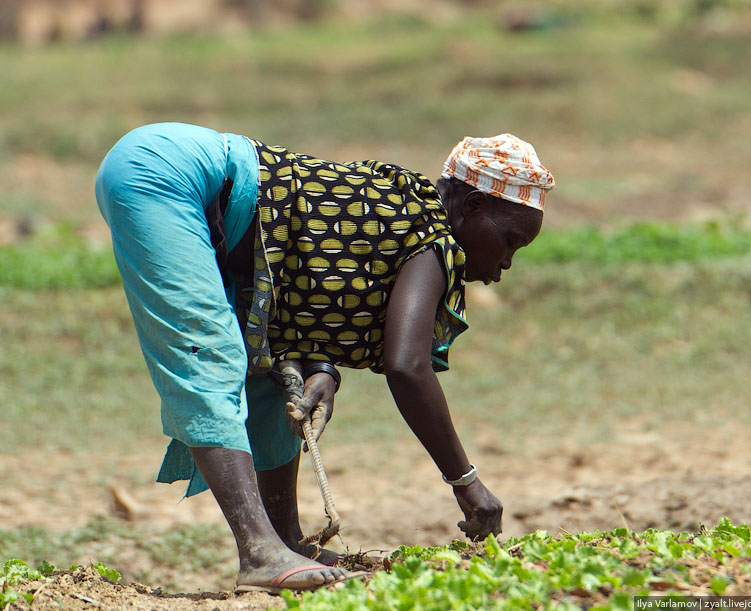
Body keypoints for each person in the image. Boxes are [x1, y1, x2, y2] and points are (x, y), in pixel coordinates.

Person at [94, 123, 555, 592]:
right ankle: (259, 551)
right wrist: (466, 481)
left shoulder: (400, 212)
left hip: (168, 164)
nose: (505, 265)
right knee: (207, 353)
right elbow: (408, 366)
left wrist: (321, 367)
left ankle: (286, 539)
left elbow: (306, 266)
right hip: (168, 177)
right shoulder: (433, 238)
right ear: (472, 206)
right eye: (510, 242)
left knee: (272, 371)